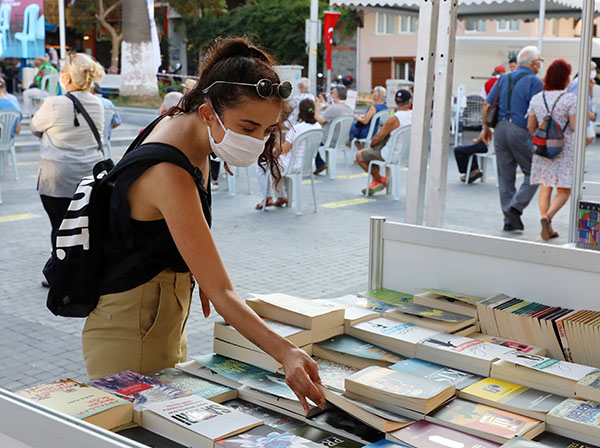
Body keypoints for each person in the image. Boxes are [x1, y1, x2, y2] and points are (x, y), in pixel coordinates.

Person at [81, 37, 325, 414]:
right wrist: (287, 353)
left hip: (156, 315)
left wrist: (200, 272)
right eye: (248, 126)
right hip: (132, 328)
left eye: (267, 130)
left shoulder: (186, 126)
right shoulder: (169, 170)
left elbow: (187, 229)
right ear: (210, 113)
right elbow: (223, 292)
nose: (258, 140)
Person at [31, 53, 105, 258]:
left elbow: (35, 127)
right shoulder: (98, 103)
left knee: (59, 227)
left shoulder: (53, 103)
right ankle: (81, 273)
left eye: (63, 72)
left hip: (57, 178)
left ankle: (60, 274)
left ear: (68, 78)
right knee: (84, 228)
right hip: (90, 178)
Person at [476, 45, 543, 231]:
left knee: (505, 177)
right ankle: (515, 208)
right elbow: (535, 111)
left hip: (500, 129)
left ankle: (509, 219)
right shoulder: (534, 81)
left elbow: (486, 104)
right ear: (534, 62)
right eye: (540, 61)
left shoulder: (504, 78)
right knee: (534, 172)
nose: (540, 65)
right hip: (520, 129)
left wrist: (485, 128)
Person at [527, 59, 577, 241]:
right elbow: (573, 126)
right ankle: (547, 218)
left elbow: (530, 127)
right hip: (563, 150)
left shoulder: (537, 98)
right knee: (564, 190)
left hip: (542, 149)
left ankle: (546, 225)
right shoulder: (570, 99)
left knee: (545, 186)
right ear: (565, 78)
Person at [255, 98, 321, 209]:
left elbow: (284, 150)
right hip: (309, 164)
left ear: (299, 111)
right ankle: (281, 196)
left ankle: (266, 197)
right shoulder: (318, 127)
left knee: (262, 165)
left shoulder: (296, 129)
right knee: (275, 165)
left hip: (293, 165)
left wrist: (275, 143)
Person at [356, 90, 412, 195]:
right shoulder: (414, 116)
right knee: (372, 153)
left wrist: (373, 144)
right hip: (407, 153)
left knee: (360, 155)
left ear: (395, 102)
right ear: (409, 102)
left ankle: (381, 180)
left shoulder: (394, 119)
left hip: (391, 154)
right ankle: (377, 181)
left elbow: (377, 138)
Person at [313, 84, 353, 175]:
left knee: (309, 141)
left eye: (332, 93)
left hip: (330, 140)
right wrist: (323, 102)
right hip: (341, 140)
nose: (330, 94)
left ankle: (319, 164)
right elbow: (331, 111)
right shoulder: (348, 108)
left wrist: (317, 107)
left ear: (336, 96)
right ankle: (320, 164)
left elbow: (320, 119)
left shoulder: (334, 108)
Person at [567, 61, 597, 147]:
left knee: (590, 137)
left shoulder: (586, 82)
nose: (593, 72)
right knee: (582, 139)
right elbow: (576, 101)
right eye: (592, 70)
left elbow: (589, 98)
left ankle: (576, 155)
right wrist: (588, 114)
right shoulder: (578, 83)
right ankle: (575, 156)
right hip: (579, 118)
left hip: (584, 118)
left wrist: (591, 88)